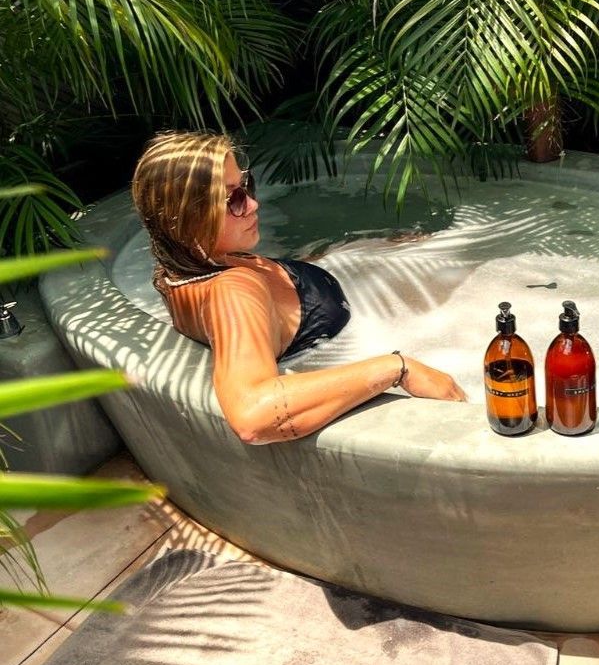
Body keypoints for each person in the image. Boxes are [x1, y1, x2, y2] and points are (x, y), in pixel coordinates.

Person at [131, 130, 466, 444]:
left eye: (246, 185)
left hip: (355, 288)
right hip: (385, 321)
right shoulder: (232, 291)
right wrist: (398, 368)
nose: (252, 204)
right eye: (233, 199)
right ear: (187, 218)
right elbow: (253, 415)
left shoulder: (177, 269)